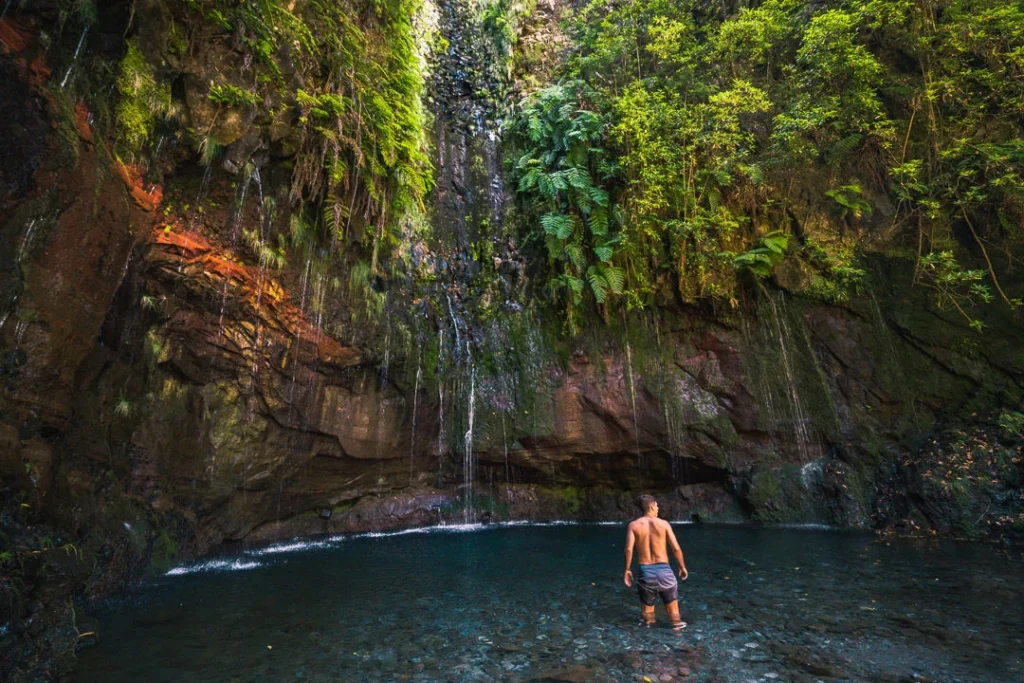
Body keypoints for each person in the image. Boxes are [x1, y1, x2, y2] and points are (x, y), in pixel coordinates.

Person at [623, 494, 689, 629]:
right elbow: (676, 548)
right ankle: (678, 637)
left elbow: (629, 549)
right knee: (674, 614)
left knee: (647, 614)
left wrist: (627, 569)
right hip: (665, 572)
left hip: (646, 573)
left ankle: (650, 640)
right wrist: (682, 567)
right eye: (657, 505)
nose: (658, 508)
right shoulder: (663, 524)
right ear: (652, 506)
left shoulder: (634, 525)